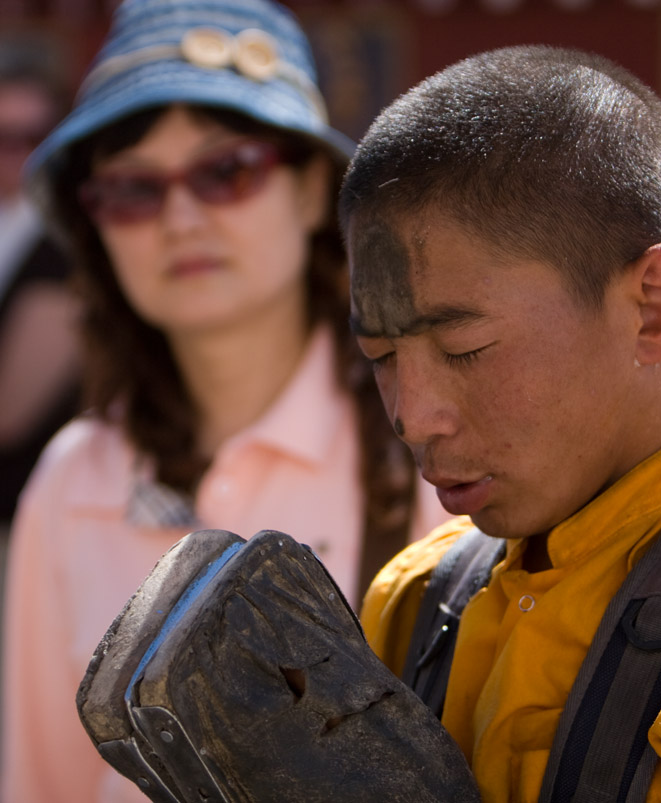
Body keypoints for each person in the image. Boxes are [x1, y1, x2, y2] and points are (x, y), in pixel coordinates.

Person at [0, 0, 447, 801]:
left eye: (226, 170)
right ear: (93, 222)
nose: (180, 217)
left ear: (314, 190)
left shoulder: (433, 442)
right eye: (133, 189)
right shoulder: (73, 482)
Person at [338, 46, 661, 802]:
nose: (412, 415)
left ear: (655, 307)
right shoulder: (417, 599)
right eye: (382, 355)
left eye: (466, 347)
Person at [0, 37, 81, 533]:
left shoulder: (64, 248)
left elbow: (10, 411)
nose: (16, 156)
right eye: (2, 138)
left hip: (21, 515)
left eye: (33, 137)